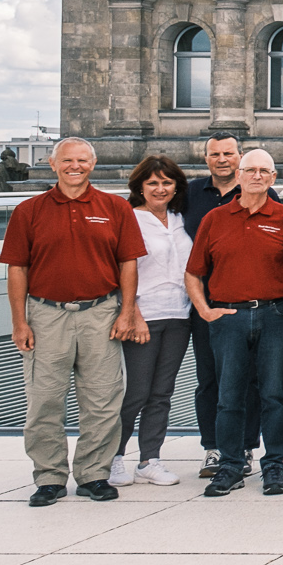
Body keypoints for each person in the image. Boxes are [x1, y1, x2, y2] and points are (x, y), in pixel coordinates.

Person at [5, 137, 146, 505]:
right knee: (44, 400)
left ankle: (93, 475)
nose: (75, 166)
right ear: (53, 164)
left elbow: (127, 263)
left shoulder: (114, 207)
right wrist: (20, 322)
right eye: (67, 160)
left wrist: (126, 312)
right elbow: (17, 268)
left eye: (82, 160)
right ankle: (49, 477)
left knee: (102, 401)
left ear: (92, 164)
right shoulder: (29, 210)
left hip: (100, 313)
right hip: (46, 315)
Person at [186, 150, 283, 496]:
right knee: (229, 395)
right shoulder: (215, 219)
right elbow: (193, 272)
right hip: (228, 316)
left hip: (276, 315)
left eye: (264, 171)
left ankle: (273, 465)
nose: (257, 176)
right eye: (250, 170)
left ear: (273, 178)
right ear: (238, 175)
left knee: (274, 395)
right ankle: (232, 465)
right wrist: (205, 310)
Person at [113, 156, 191, 488]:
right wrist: (133, 315)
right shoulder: (129, 219)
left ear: (176, 187)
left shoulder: (179, 219)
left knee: (162, 392)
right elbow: (120, 271)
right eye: (153, 183)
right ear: (140, 187)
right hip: (143, 316)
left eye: (167, 182)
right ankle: (114, 457)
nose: (160, 189)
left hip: (179, 315)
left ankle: (149, 459)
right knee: (136, 392)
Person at [181, 132, 243, 479]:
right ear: (206, 159)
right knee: (209, 380)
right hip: (202, 304)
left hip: (246, 305)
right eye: (215, 154)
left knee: (246, 380)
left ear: (240, 156)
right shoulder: (189, 194)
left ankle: (245, 447)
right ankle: (213, 448)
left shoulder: (255, 187)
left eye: (228, 153)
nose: (222, 159)